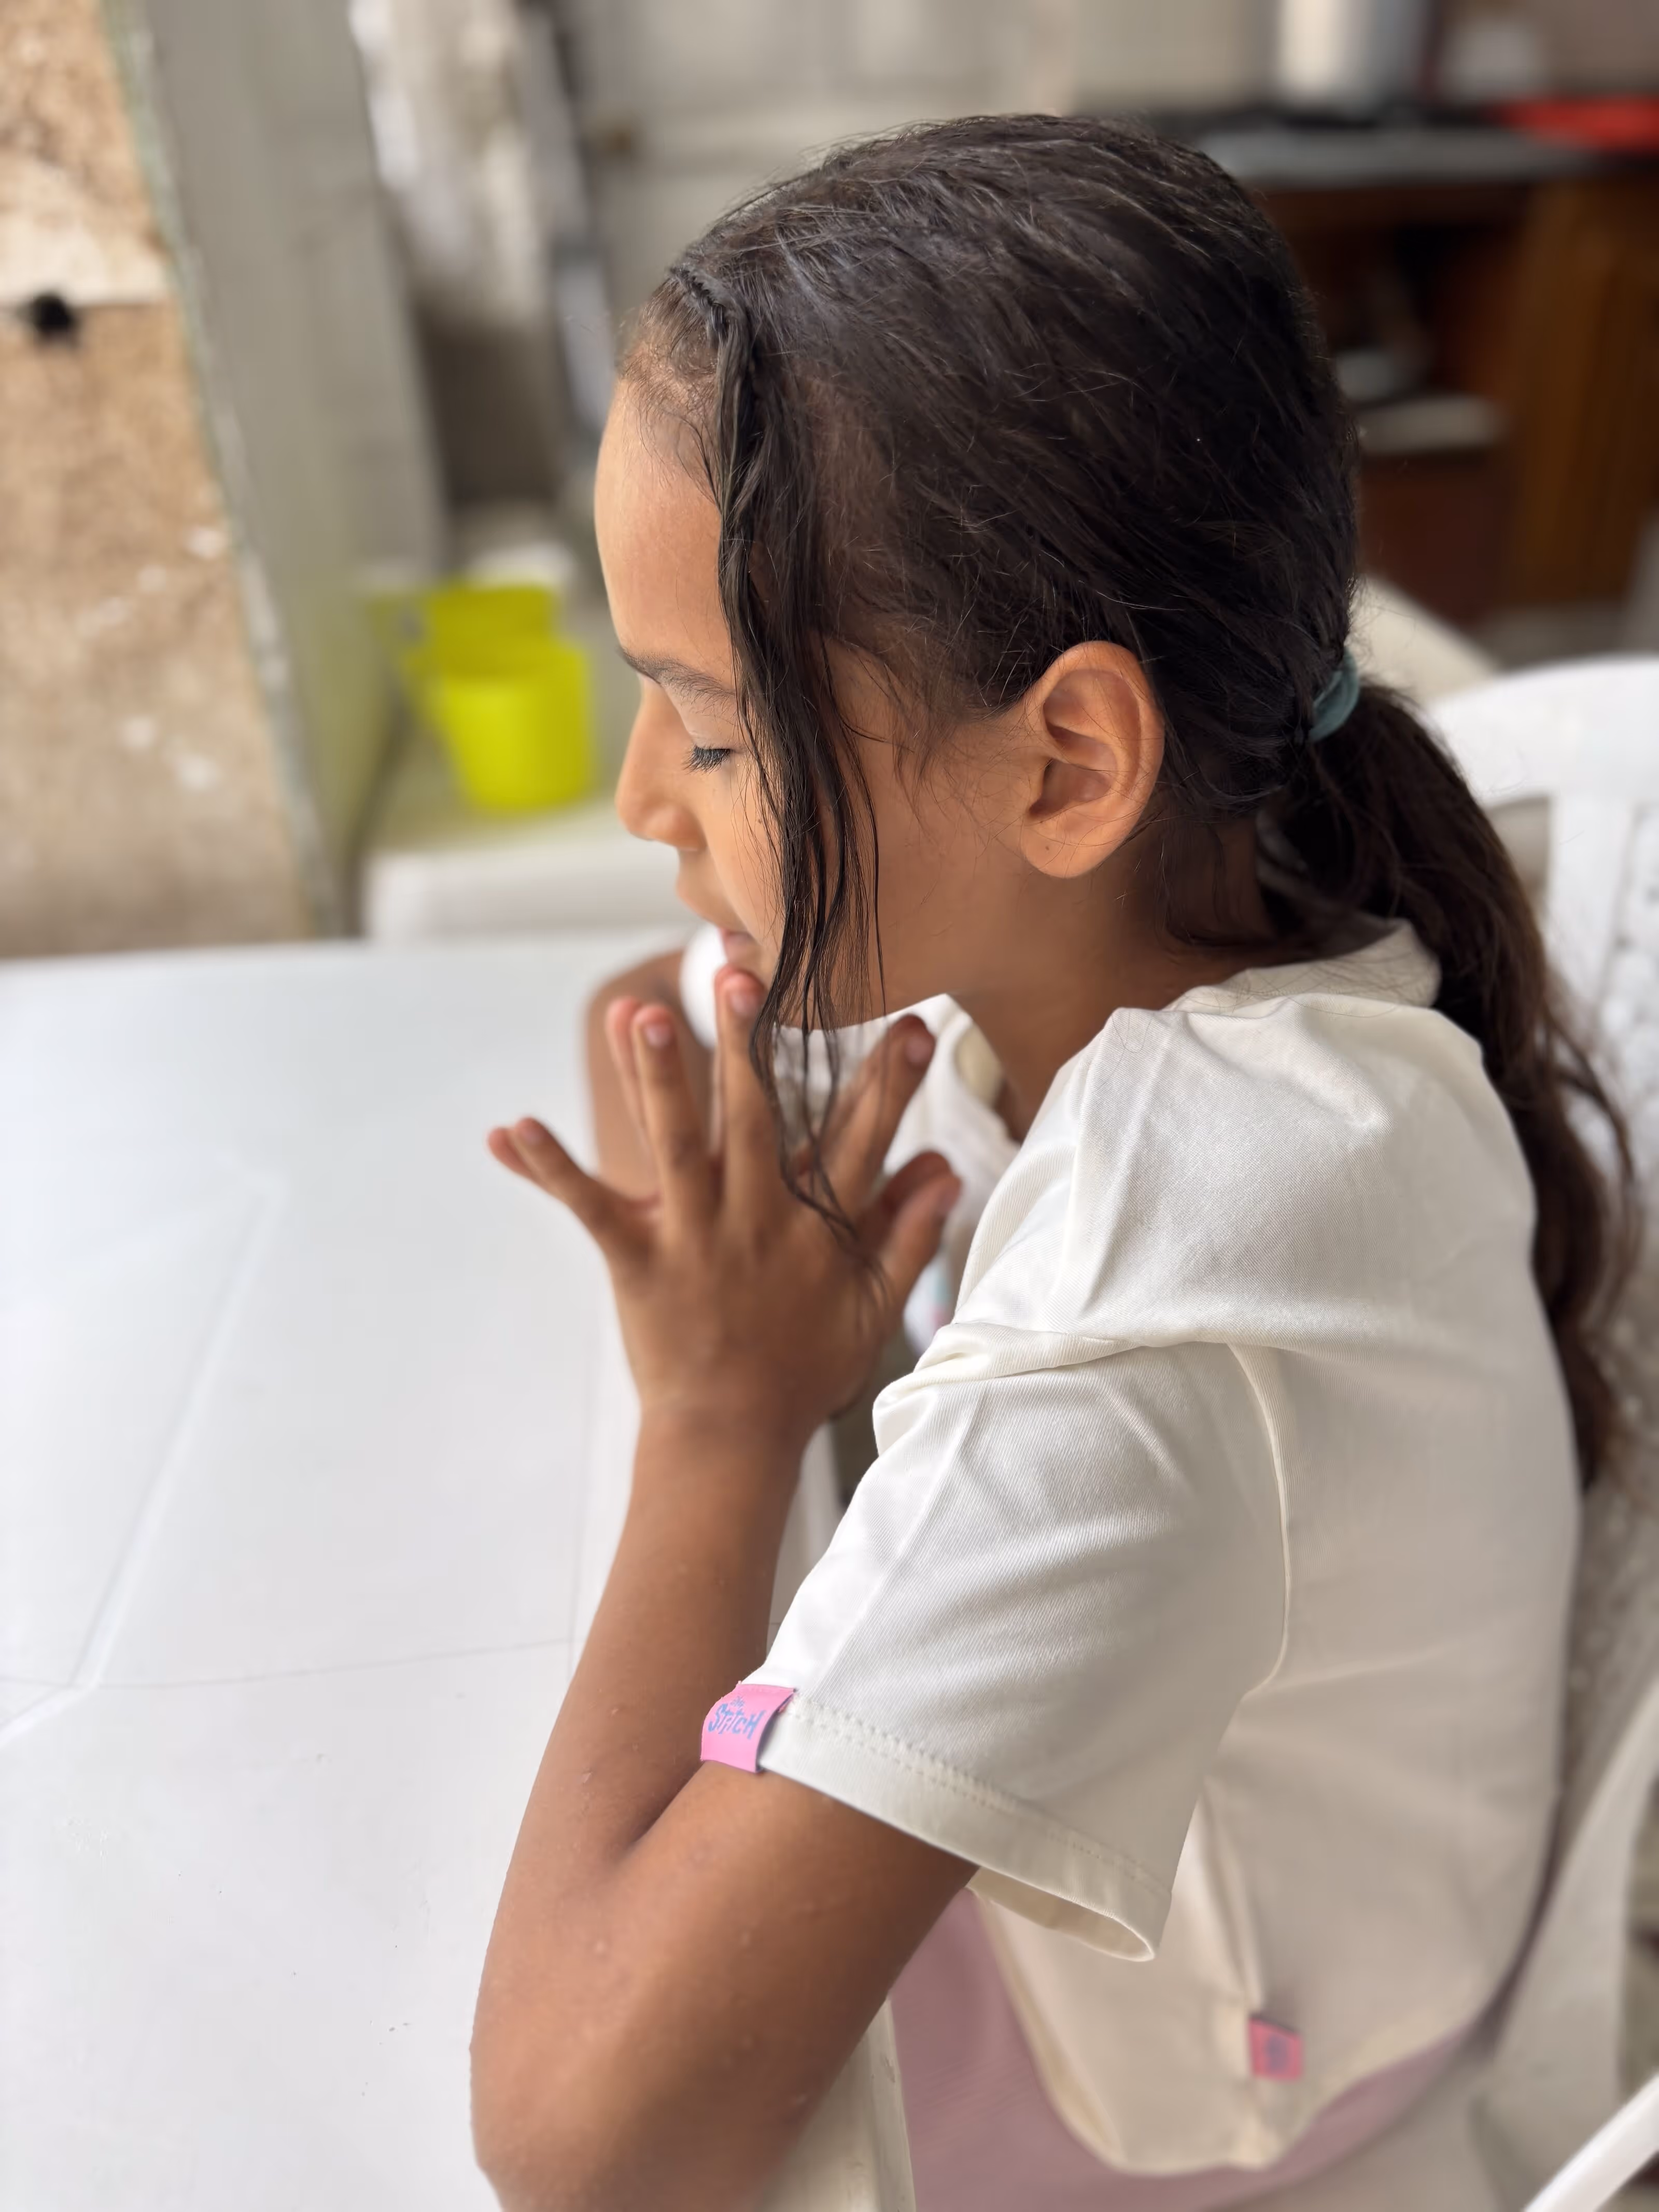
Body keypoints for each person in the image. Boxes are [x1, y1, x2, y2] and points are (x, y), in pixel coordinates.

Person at [467, 116, 1634, 2212]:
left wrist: (726, 1427)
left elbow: (587, 2139)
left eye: (711, 727)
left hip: (1229, 2096)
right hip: (1264, 1929)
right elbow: (651, 1011)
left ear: (1068, 761)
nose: (639, 793)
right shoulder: (1226, 878)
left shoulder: (1182, 1264)